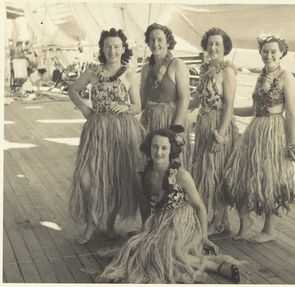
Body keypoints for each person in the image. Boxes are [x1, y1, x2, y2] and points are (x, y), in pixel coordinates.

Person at [98, 127, 241, 284]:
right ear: (149, 147)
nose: (159, 152)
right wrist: (146, 231)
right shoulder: (143, 175)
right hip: (159, 221)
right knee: (143, 250)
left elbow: (200, 207)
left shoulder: (181, 175)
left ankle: (216, 267)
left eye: (164, 148)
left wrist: (204, 237)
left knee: (169, 251)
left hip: (181, 221)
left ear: (171, 150)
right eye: (155, 147)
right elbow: (144, 207)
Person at [68, 28, 146, 244]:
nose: (112, 50)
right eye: (108, 46)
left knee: (115, 178)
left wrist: (126, 108)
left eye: (116, 46)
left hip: (121, 133)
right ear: (102, 48)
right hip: (96, 130)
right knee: (86, 179)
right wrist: (84, 109)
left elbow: (138, 105)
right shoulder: (93, 71)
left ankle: (110, 223)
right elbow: (72, 90)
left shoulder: (129, 74)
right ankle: (92, 221)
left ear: (123, 49)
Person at [224, 34, 295, 243]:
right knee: (240, 174)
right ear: (260, 53)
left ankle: (269, 230)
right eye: (265, 51)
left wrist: (292, 143)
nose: (269, 55)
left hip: (274, 131)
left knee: (271, 179)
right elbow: (256, 109)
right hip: (255, 130)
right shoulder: (261, 77)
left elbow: (292, 112)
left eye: (273, 52)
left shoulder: (287, 76)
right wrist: (231, 111)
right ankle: (245, 221)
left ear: (281, 53)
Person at [190, 28, 239, 234]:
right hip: (204, 124)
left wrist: (221, 133)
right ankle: (222, 221)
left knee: (216, 172)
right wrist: (180, 104)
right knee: (204, 171)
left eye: (218, 44)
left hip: (219, 124)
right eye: (210, 44)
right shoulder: (206, 69)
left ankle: (217, 221)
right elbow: (198, 99)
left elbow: (228, 105)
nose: (213, 48)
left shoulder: (227, 71)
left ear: (225, 47)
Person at [140, 23, 191, 168]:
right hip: (150, 120)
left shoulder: (177, 64)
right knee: (151, 162)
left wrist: (175, 129)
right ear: (148, 43)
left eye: (159, 39)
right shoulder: (145, 69)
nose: (155, 44)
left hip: (171, 121)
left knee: (172, 164)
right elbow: (142, 102)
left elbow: (184, 98)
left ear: (168, 42)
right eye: (152, 40)